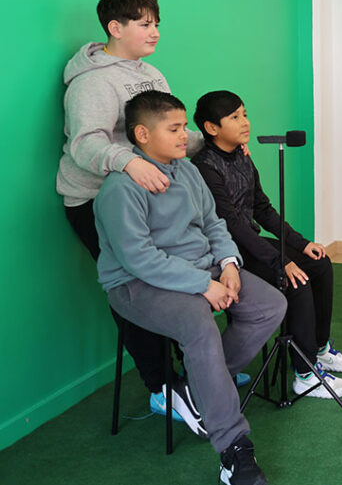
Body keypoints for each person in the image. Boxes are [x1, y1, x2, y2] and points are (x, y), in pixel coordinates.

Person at [94, 90, 285, 485]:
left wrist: (230, 264)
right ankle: (235, 451)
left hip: (203, 269)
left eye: (186, 127)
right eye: (175, 128)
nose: (186, 135)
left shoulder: (188, 171)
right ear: (143, 134)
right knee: (200, 324)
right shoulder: (120, 189)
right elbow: (139, 259)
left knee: (269, 304)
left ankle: (194, 388)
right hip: (137, 284)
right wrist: (204, 285)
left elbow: (214, 223)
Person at [57, 0, 209, 425]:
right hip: (95, 200)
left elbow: (164, 131)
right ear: (115, 27)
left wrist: (211, 142)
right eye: (145, 23)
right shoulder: (91, 83)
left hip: (149, 196)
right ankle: (162, 386)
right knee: (137, 291)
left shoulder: (152, 74)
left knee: (174, 282)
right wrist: (128, 164)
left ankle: (196, 369)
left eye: (157, 22)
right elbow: (85, 146)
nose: (155, 31)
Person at [192, 91, 342, 399]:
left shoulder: (241, 157)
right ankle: (305, 373)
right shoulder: (204, 167)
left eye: (245, 113)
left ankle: (319, 348)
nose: (245, 122)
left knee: (319, 263)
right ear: (211, 127)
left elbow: (262, 208)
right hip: (225, 249)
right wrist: (279, 260)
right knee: (294, 279)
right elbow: (231, 223)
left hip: (249, 240)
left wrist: (301, 243)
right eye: (235, 117)